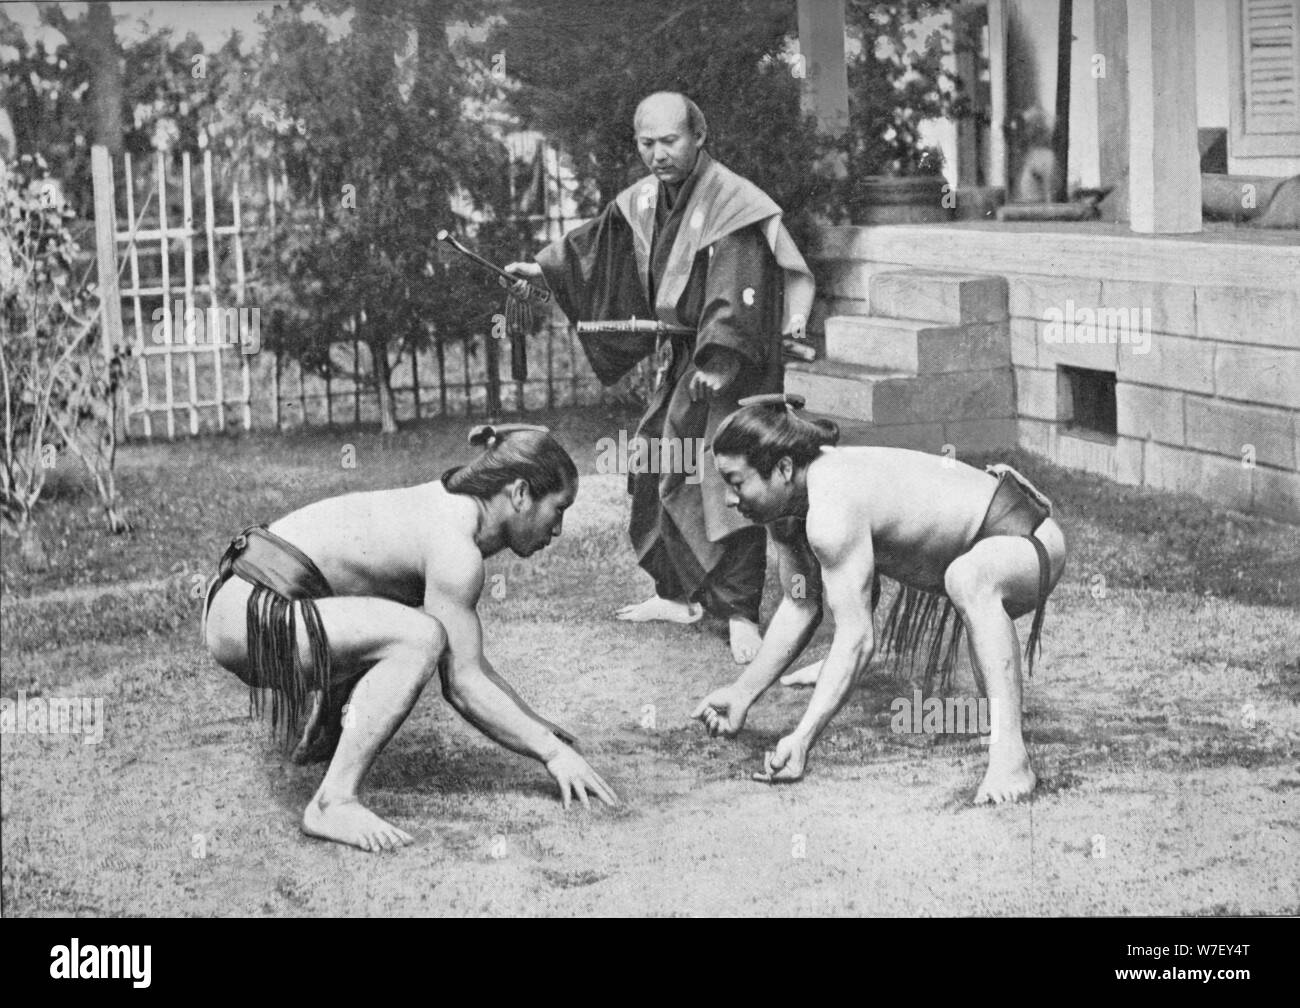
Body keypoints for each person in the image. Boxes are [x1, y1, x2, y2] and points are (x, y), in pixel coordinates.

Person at [203, 424, 619, 853]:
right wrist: (551, 753)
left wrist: (537, 727)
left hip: (241, 595)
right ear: (518, 494)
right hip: (251, 614)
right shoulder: (455, 548)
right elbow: (462, 683)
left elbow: (472, 662)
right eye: (558, 509)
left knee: (385, 620)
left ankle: (323, 738)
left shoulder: (449, 507)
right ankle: (333, 802)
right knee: (419, 637)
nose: (559, 529)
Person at [505, 92, 814, 665]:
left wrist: (720, 358)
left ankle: (740, 612)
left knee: (730, 483)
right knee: (653, 465)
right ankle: (675, 593)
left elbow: (738, 286)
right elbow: (599, 247)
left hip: (734, 370)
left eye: (669, 140)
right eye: (646, 143)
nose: (657, 154)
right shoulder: (646, 199)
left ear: (700, 136)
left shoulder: (733, 204)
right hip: (683, 364)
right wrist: (546, 270)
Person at [692, 395, 1068, 804]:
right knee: (963, 576)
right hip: (980, 551)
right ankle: (989, 725)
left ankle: (1012, 758)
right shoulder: (789, 511)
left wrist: (801, 738)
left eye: (735, 483)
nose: (730, 500)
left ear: (783, 469)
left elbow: (857, 640)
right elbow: (800, 605)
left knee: (967, 577)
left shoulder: (831, 504)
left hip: (1027, 541)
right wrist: (742, 692)